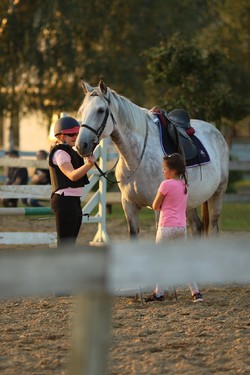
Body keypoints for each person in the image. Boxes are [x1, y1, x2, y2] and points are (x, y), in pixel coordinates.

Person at [145, 153, 203, 303]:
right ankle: (196, 292)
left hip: (166, 227)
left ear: (172, 171)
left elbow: (155, 205)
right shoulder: (184, 184)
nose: (163, 171)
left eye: (164, 169)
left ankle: (159, 293)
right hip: (181, 227)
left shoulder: (165, 184)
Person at [48, 116, 96, 247]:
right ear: (60, 136)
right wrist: (89, 165)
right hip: (64, 200)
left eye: (77, 133)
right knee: (65, 244)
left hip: (73, 200)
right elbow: (72, 176)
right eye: (71, 134)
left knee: (70, 243)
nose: (75, 136)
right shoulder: (60, 153)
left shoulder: (71, 151)